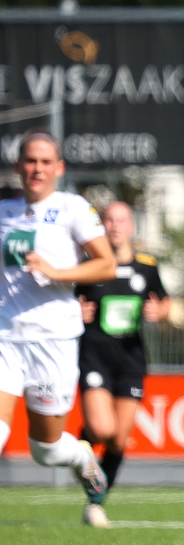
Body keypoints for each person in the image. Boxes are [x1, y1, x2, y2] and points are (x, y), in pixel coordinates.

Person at [0, 129, 116, 509]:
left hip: (53, 340)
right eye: (30, 161)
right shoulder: (4, 210)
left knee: (45, 450)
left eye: (45, 162)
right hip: (5, 336)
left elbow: (107, 264)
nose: (37, 168)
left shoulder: (72, 207)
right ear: (18, 166)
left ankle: (83, 459)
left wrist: (56, 272)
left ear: (59, 168)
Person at [76, 201, 170, 528]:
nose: (115, 226)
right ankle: (82, 442)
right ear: (101, 226)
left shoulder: (146, 266)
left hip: (131, 358)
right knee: (102, 429)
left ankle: (96, 502)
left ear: (131, 226)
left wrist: (161, 312)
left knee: (118, 439)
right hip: (94, 355)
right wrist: (74, 312)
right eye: (109, 220)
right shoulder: (89, 265)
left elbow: (165, 301)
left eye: (121, 220)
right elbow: (67, 301)